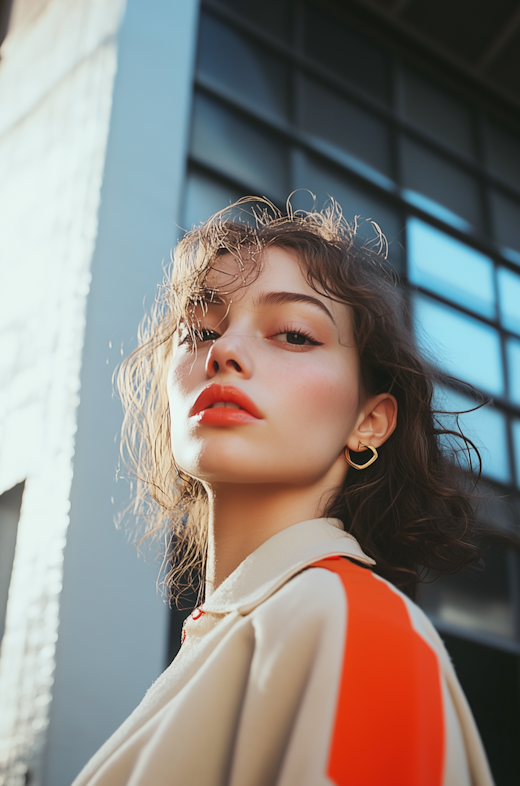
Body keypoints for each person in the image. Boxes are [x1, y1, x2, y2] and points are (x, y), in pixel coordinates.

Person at [72, 199, 495, 786]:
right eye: (200, 330)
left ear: (369, 421)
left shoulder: (347, 621)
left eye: (294, 335)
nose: (223, 352)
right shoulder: (226, 640)